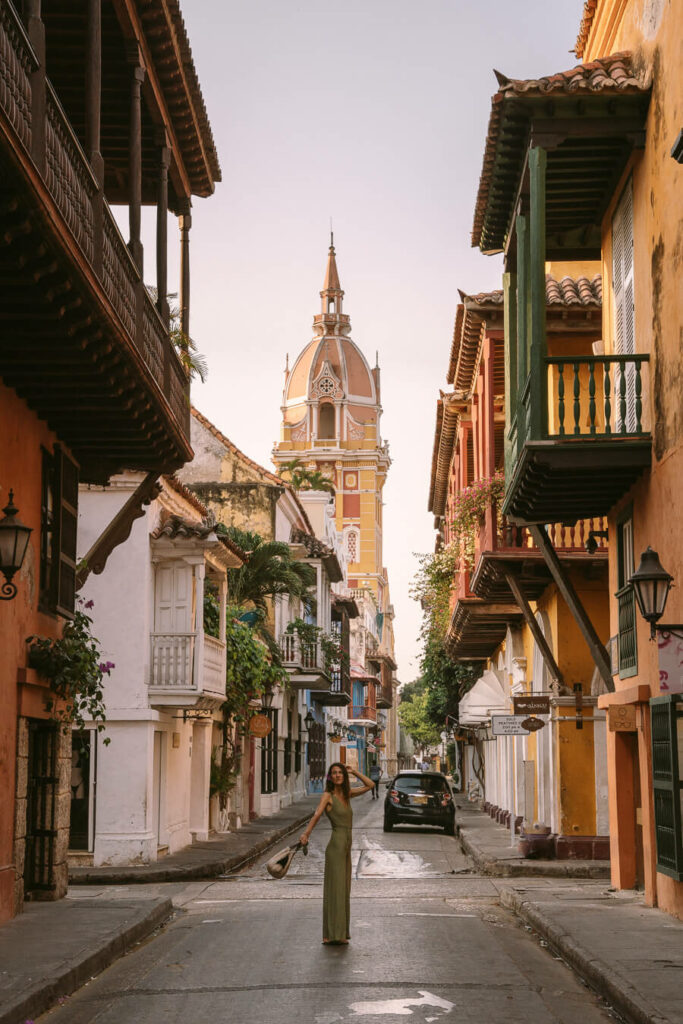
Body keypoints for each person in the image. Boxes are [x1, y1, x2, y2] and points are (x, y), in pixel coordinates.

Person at [300, 762, 373, 944]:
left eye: (340, 772)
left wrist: (354, 771)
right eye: (334, 773)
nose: (338, 775)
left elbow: (370, 785)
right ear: (330, 777)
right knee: (335, 889)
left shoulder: (347, 794)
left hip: (346, 845)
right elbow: (317, 814)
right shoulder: (328, 795)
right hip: (336, 846)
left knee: (344, 889)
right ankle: (330, 935)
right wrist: (306, 834)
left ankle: (339, 932)